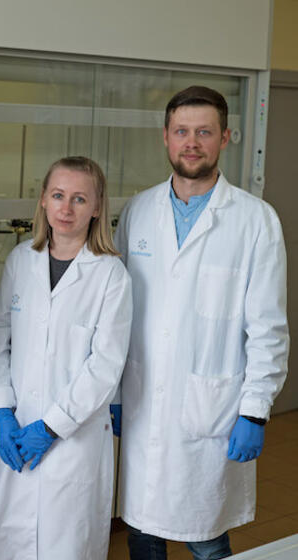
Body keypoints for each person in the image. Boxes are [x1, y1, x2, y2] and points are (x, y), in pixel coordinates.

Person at [115, 85, 289, 560]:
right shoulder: (137, 212)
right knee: (141, 533)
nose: (191, 143)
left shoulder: (255, 221)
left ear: (225, 137)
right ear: (165, 137)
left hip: (211, 410)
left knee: (206, 539)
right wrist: (114, 393)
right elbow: (118, 314)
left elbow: (268, 329)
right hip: (143, 401)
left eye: (204, 132)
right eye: (182, 131)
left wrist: (254, 411)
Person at [0, 156, 131, 559]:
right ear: (43, 200)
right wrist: (1, 410)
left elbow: (105, 365)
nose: (66, 208)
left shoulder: (110, 274)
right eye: (58, 195)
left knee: (66, 546)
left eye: (80, 199)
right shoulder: (20, 261)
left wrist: (51, 427)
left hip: (73, 440)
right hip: (17, 430)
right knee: (10, 545)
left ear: (96, 208)